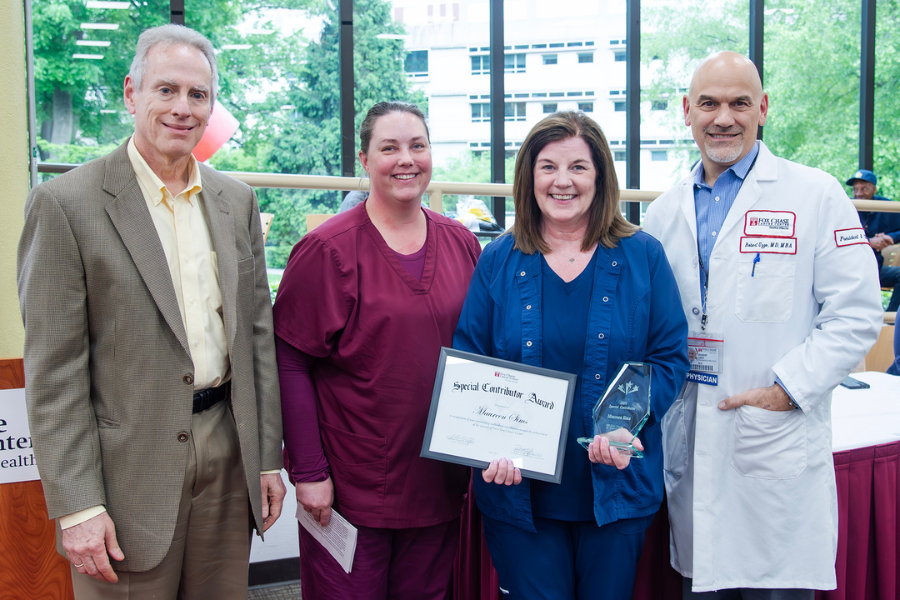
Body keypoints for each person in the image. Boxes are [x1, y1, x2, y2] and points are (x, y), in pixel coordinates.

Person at [16, 24, 285, 599]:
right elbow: (54, 374)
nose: (183, 108)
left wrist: (266, 460)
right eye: (166, 90)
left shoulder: (236, 201)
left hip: (226, 448)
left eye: (198, 95)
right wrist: (77, 504)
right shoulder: (65, 205)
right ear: (131, 93)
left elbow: (256, 338)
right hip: (124, 470)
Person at [642, 51, 883, 598]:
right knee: (701, 580)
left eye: (740, 103)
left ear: (764, 109)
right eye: (709, 103)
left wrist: (788, 390)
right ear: (687, 111)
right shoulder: (663, 213)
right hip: (693, 434)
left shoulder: (815, 194)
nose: (723, 118)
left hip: (775, 436)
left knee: (775, 586)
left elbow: (856, 312)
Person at [453, 111, 690, 599]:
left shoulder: (643, 256)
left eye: (578, 167)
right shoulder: (498, 259)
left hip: (617, 486)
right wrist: (487, 440)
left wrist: (624, 424)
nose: (563, 181)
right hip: (518, 491)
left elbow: (669, 357)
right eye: (548, 167)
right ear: (529, 177)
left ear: (600, 177)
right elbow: (470, 359)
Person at [273, 101, 481, 599]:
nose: (406, 159)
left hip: (438, 481)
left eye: (417, 146)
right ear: (365, 160)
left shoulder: (462, 244)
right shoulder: (327, 249)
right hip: (350, 487)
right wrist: (309, 472)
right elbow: (290, 361)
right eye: (389, 148)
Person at [847, 168, 900, 311]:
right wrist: (869, 242)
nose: (858, 193)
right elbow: (836, 236)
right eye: (855, 189)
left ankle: (890, 318)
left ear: (874, 189)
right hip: (849, 269)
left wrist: (890, 237)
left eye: (863, 189)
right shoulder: (847, 206)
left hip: (876, 268)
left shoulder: (886, 206)